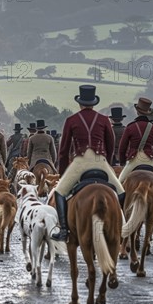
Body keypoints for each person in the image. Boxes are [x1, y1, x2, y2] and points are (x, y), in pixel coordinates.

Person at [52, 85, 124, 242]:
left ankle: (64, 230)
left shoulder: (71, 120)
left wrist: (63, 173)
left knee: (59, 192)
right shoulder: (104, 120)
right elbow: (110, 146)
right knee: (121, 192)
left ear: (80, 103)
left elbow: (63, 151)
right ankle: (119, 226)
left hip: (79, 162)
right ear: (93, 103)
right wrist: (108, 164)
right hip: (101, 162)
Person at [117, 98, 153, 188]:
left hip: (133, 160)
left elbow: (122, 148)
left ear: (137, 112)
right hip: (149, 160)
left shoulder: (130, 127)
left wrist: (122, 162)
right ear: (148, 112)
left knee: (119, 185)